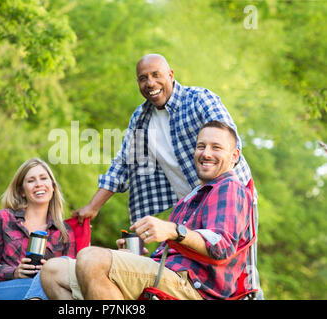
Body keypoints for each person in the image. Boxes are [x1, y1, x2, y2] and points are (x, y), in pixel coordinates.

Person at [73, 53, 261, 297]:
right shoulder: (141, 119)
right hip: (190, 203)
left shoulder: (199, 99)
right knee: (178, 261)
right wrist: (93, 206)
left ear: (170, 75)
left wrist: (226, 188)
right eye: (143, 78)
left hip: (225, 193)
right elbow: (123, 164)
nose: (150, 83)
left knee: (240, 271)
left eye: (156, 75)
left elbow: (225, 139)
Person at [41, 121, 254, 300]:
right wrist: (135, 257)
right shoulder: (193, 196)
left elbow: (222, 246)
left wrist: (174, 230)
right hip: (166, 272)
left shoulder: (230, 188)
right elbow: (175, 251)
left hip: (195, 287)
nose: (206, 153)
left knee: (91, 259)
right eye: (201, 146)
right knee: (52, 271)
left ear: (234, 155)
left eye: (216, 147)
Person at [0, 158, 77, 300]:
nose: (38, 184)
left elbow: (70, 278)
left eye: (43, 178)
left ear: (53, 187)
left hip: (47, 291)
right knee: (46, 284)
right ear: (22, 191)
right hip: (4, 288)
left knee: (57, 272)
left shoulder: (64, 232)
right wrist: (15, 272)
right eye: (31, 181)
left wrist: (50, 270)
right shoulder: (4, 218)